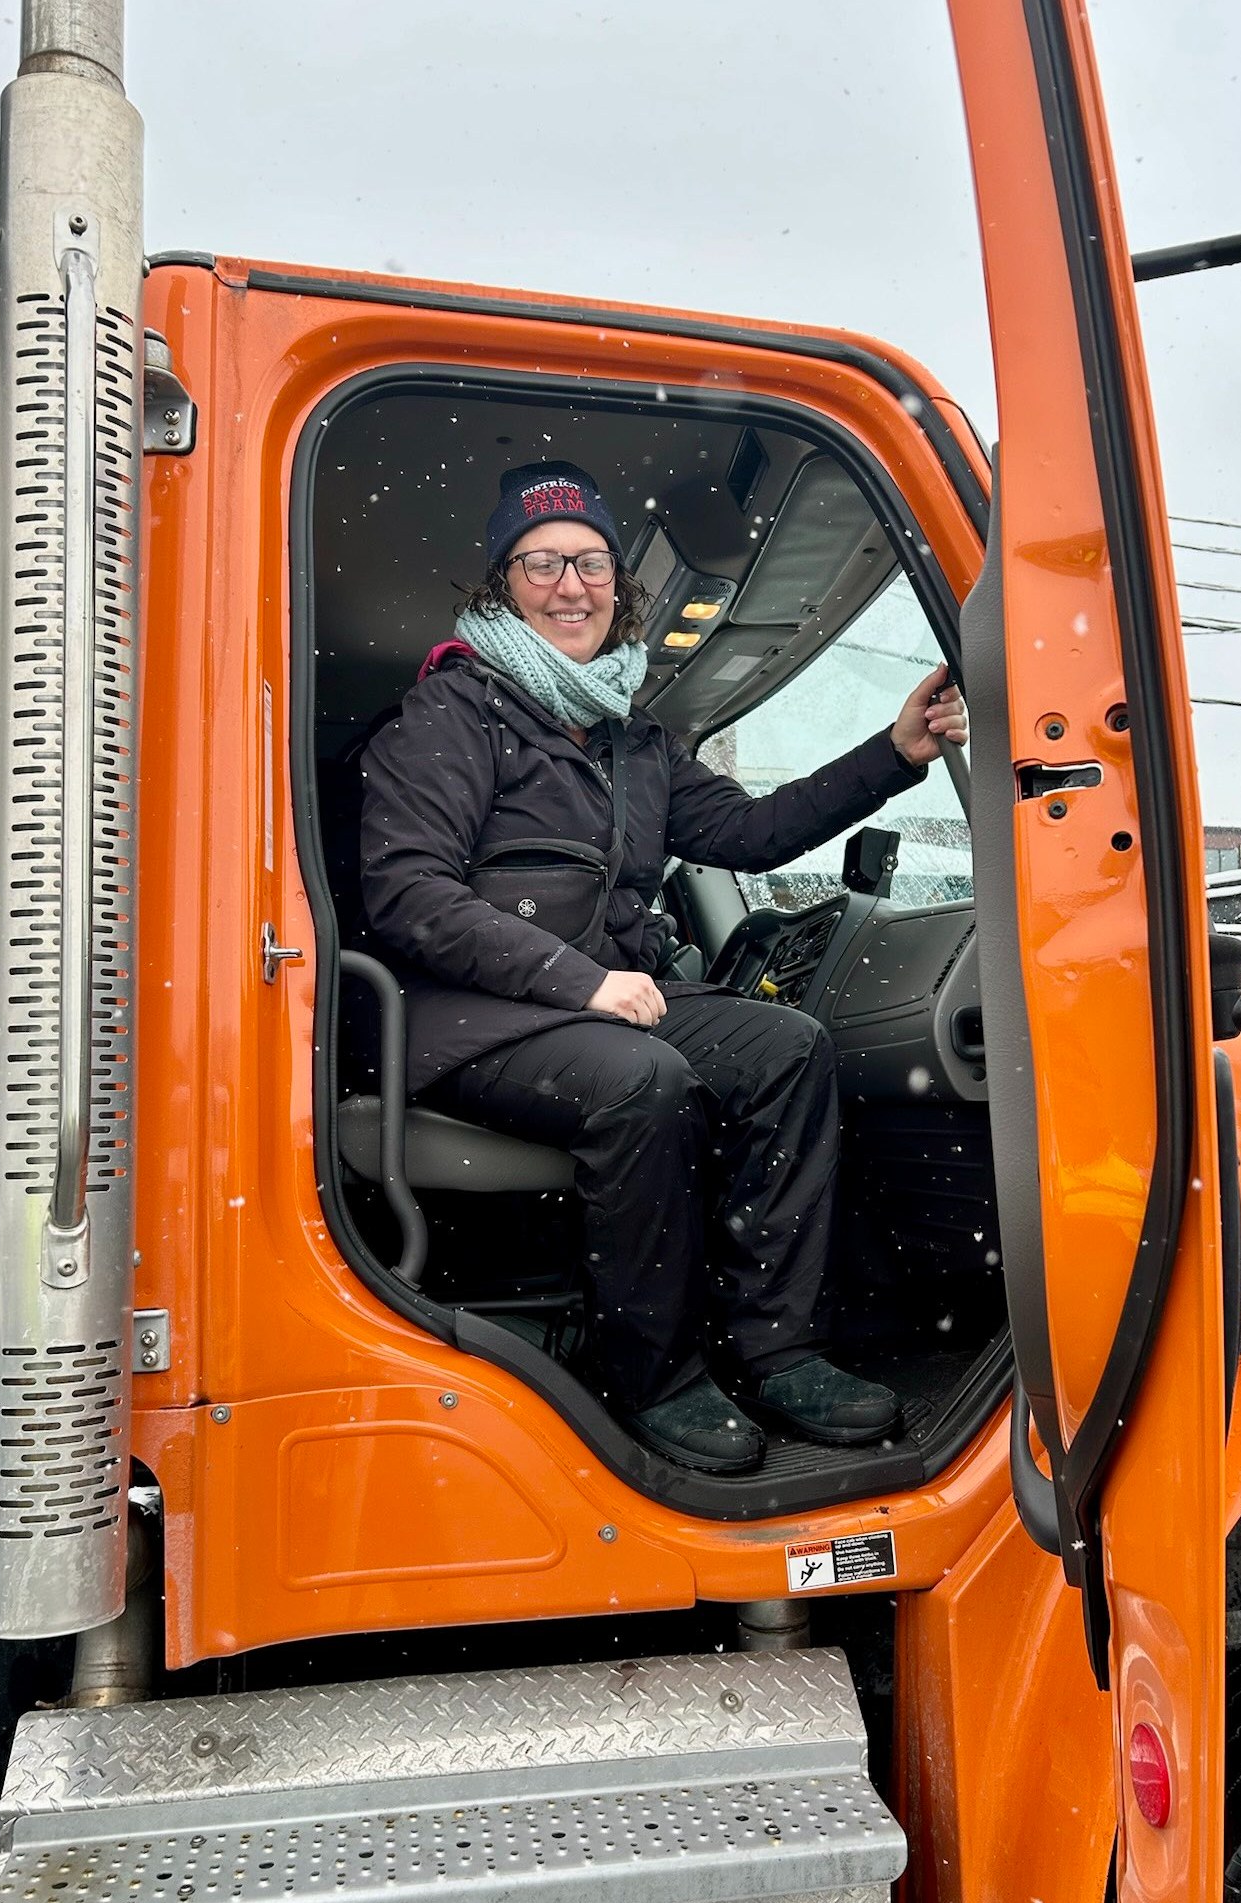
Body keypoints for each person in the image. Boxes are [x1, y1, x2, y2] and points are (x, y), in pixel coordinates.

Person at [360, 460, 969, 1475]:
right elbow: (409, 894)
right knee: (643, 1080)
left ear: (617, 583)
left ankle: (778, 1349)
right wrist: (581, 982)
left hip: (599, 1005)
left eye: (590, 562)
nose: (570, 586)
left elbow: (753, 830)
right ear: (501, 584)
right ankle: (648, 1372)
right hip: (472, 1018)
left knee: (787, 1045)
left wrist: (894, 752)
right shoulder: (452, 714)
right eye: (541, 562)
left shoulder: (634, 738)